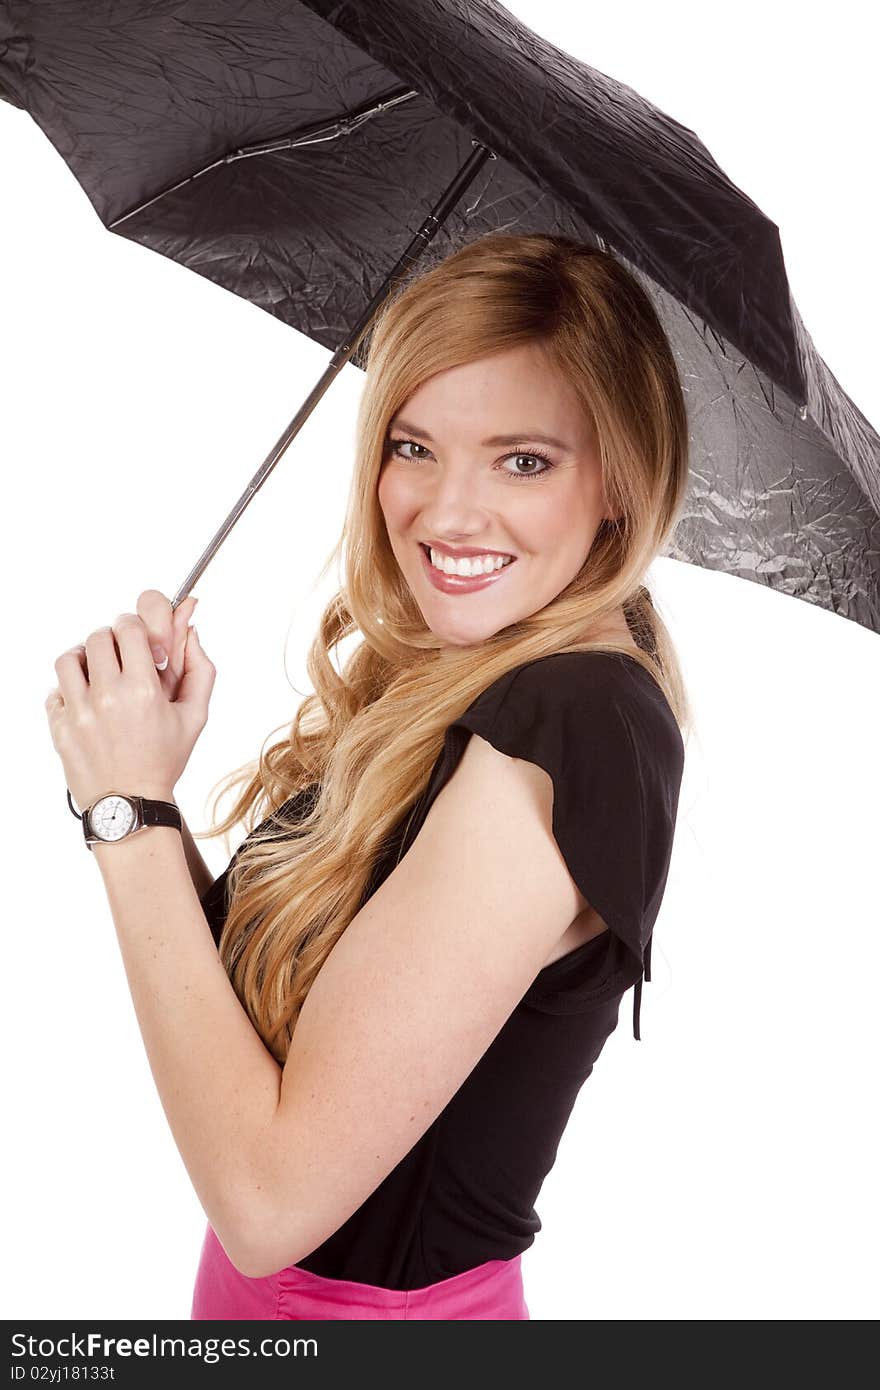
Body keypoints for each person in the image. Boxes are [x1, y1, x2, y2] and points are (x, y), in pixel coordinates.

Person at [45, 232, 692, 1320]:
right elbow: (273, 1040)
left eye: (522, 459)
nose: (444, 513)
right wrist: (136, 774)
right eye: (413, 445)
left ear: (622, 481)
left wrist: (131, 817)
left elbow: (266, 1198)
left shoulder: (575, 719)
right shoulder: (463, 681)